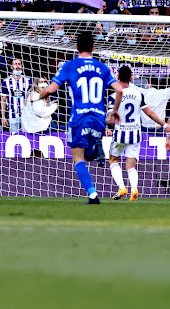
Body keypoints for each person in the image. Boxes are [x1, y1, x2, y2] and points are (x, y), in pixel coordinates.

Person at [36, 31, 124, 204]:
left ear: (76, 47)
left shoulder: (70, 65)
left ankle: (92, 194)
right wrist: (114, 110)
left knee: (78, 158)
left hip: (79, 117)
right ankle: (95, 149)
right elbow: (119, 90)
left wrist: (37, 97)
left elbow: (51, 89)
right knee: (88, 150)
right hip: (99, 118)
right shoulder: (102, 67)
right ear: (93, 48)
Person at [107, 66, 170, 201]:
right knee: (131, 166)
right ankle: (134, 189)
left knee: (113, 160)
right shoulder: (138, 94)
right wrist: (165, 125)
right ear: (131, 79)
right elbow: (150, 113)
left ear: (118, 78)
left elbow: (111, 118)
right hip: (135, 133)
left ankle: (121, 187)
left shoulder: (113, 96)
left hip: (120, 133)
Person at [1, 58, 31, 133]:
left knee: (27, 137)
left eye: (19, 64)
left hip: (26, 115)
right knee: (14, 138)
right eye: (15, 64)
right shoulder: (6, 82)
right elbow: (3, 100)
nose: (18, 66)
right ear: (11, 67)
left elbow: (32, 97)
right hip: (12, 115)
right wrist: (3, 117)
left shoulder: (28, 80)